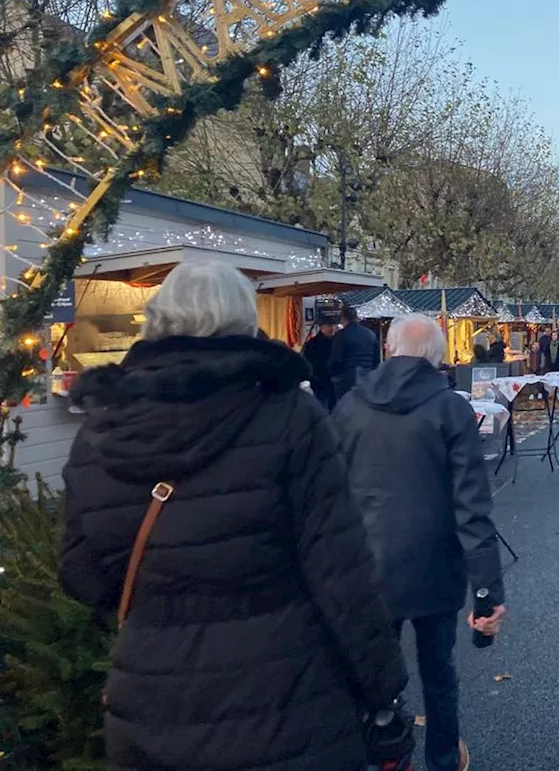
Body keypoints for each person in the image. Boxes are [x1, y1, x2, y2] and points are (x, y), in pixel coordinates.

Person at [59, 260, 408, 771]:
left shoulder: (102, 429)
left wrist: (168, 595)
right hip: (287, 700)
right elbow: (342, 574)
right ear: (245, 320)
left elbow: (81, 575)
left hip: (153, 703)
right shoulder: (289, 415)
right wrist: (383, 697)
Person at [332, 314, 506, 771]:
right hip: (433, 564)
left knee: (372, 674)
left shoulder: (350, 406)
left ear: (387, 350)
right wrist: (487, 592)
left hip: (367, 564)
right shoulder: (449, 408)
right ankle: (443, 760)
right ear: (439, 357)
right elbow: (472, 506)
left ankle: (382, 755)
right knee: (438, 673)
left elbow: (330, 494)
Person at [330, 303, 378, 402]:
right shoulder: (370, 334)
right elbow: (376, 359)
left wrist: (334, 376)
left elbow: (335, 361)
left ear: (343, 318)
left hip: (346, 381)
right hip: (366, 378)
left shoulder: (341, 336)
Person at [302, 315, 338, 410]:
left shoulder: (336, 341)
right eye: (329, 326)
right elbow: (308, 361)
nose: (332, 329)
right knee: (323, 407)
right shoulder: (313, 343)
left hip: (332, 381)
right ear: (322, 327)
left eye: (333, 326)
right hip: (320, 381)